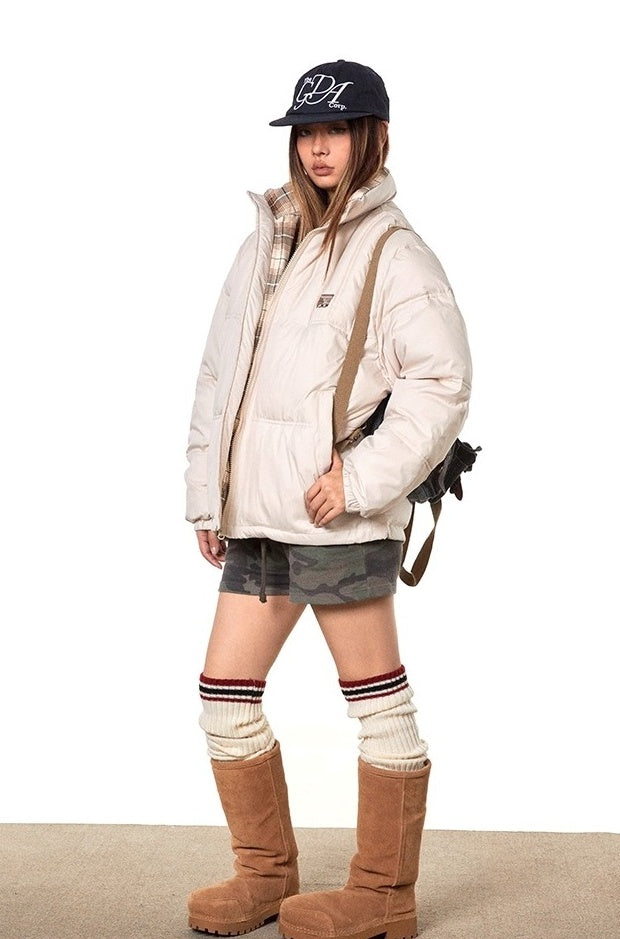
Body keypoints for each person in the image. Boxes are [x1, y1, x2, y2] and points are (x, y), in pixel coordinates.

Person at [183, 59, 472, 939]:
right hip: (256, 519)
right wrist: (208, 494)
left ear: (371, 137)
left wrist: (359, 480)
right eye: (306, 132)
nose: (317, 148)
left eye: (335, 130)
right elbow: (218, 375)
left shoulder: (394, 251)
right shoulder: (265, 239)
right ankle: (265, 874)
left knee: (377, 701)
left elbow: (441, 382)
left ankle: (383, 893)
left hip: (335, 519)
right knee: (224, 693)